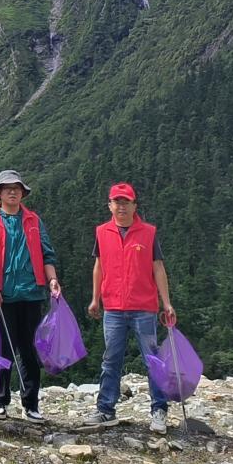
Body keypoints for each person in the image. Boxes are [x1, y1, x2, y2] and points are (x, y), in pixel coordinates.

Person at [86, 182, 177, 434]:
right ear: (110, 205)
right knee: (111, 360)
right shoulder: (102, 231)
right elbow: (99, 266)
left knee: (152, 360)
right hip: (113, 307)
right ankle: (106, 410)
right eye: (117, 201)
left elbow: (158, 267)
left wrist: (166, 303)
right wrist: (95, 299)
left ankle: (159, 410)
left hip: (144, 307)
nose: (121, 206)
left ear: (134, 205)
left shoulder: (148, 232)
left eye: (126, 202)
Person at [0, 170, 62, 423]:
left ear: (22, 193)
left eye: (16, 188)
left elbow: (47, 253)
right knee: (2, 350)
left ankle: (31, 403)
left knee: (29, 351)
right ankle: (0, 401)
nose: (12, 192)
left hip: (31, 293)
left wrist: (52, 280)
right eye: (7, 188)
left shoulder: (34, 220)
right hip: (2, 296)